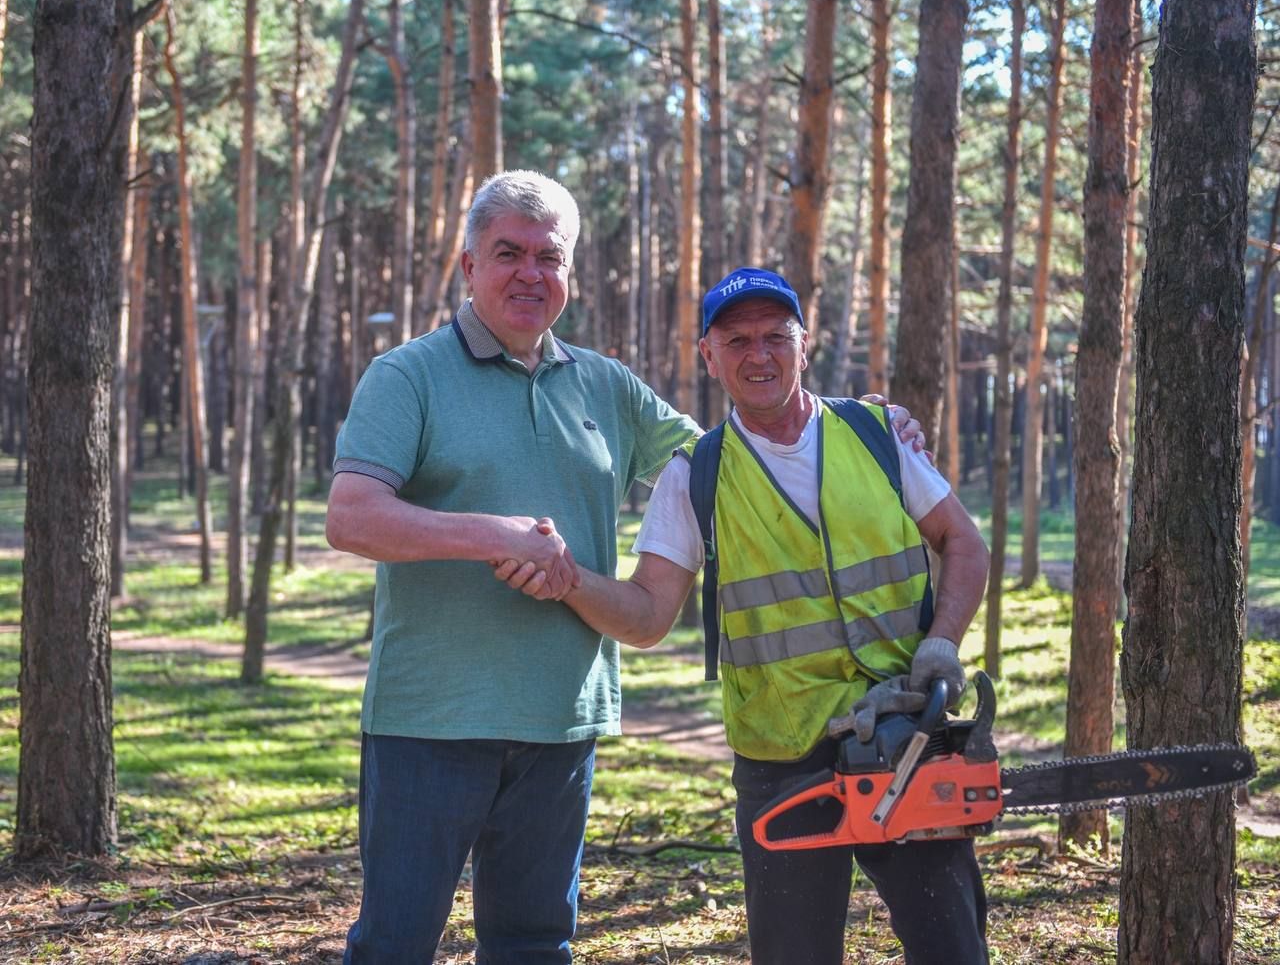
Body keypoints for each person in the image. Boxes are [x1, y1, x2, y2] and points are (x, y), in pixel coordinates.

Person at [327, 170, 926, 963]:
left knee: (537, 945)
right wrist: (497, 535)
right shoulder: (408, 376)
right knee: (395, 945)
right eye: (509, 253)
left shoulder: (605, 386)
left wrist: (863, 427)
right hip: (429, 720)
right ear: (468, 265)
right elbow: (352, 517)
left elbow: (734, 453)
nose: (530, 273)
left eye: (550, 256)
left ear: (570, 274)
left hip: (563, 719)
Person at [495, 266, 991, 964]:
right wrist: (567, 578)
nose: (759, 355)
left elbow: (964, 542)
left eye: (775, 336)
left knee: (953, 949)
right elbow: (646, 616)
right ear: (708, 354)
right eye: (737, 340)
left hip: (907, 731)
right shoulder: (695, 474)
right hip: (781, 757)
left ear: (805, 343)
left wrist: (942, 646)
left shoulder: (878, 435)